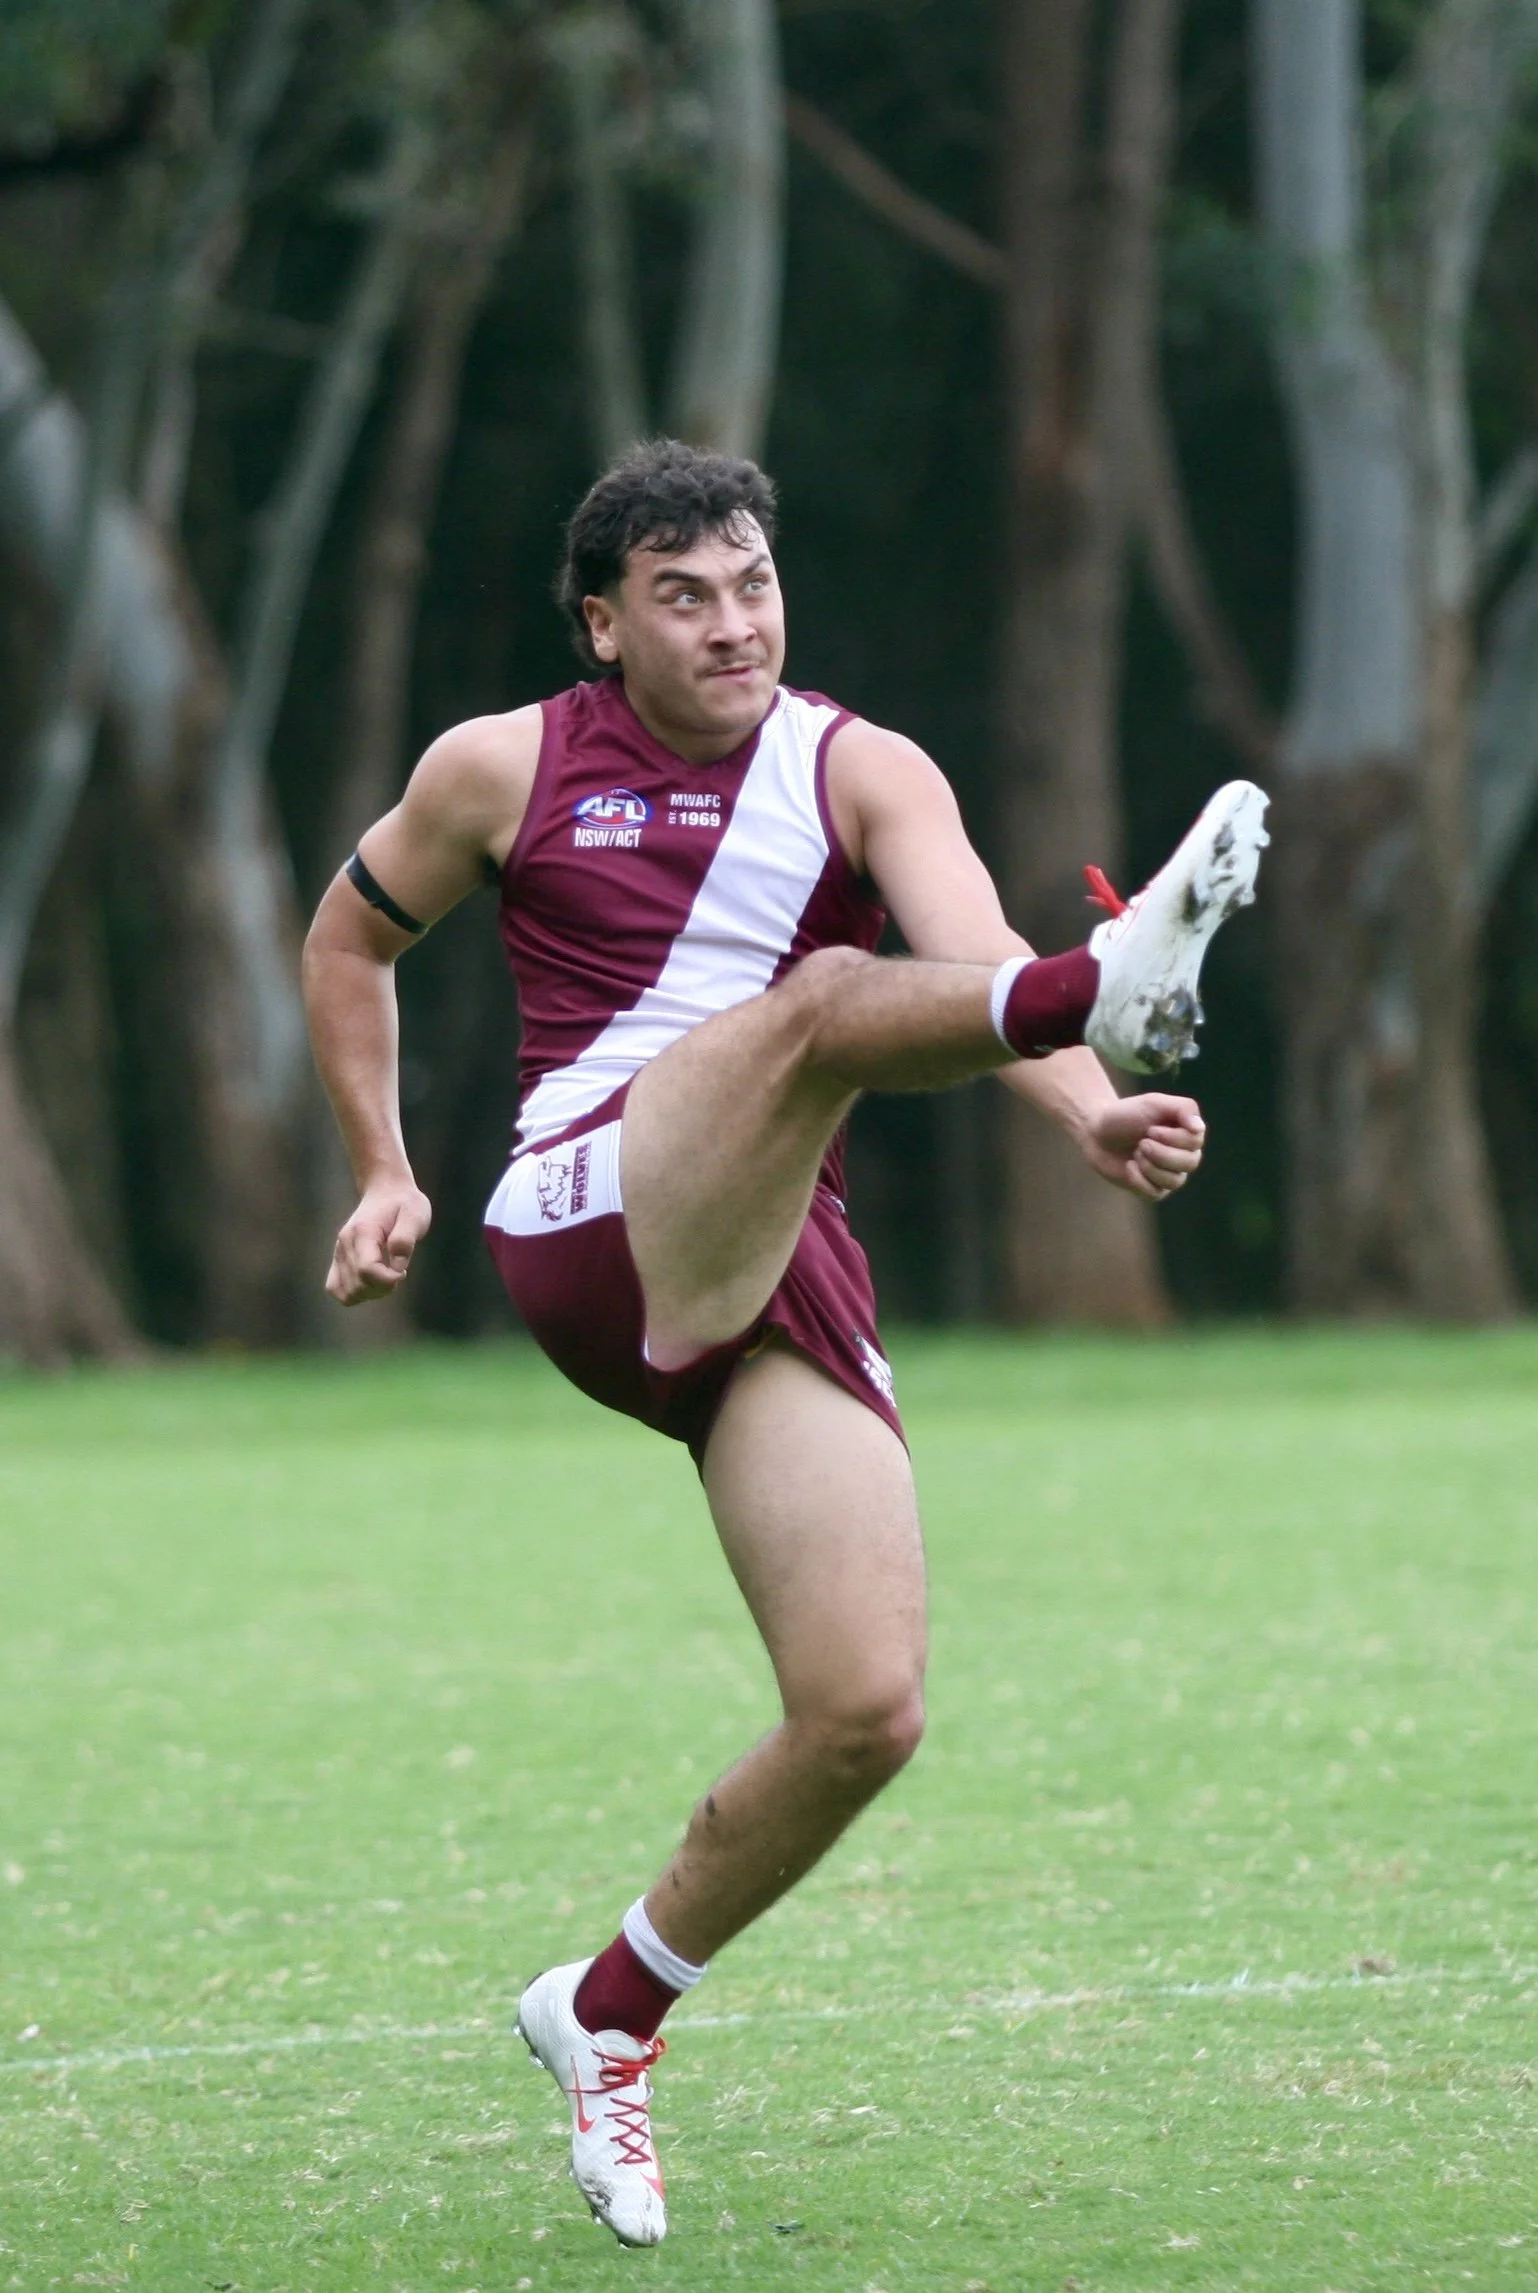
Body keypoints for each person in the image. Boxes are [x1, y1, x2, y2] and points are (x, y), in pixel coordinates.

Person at [302, 437, 1267, 2248]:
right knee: (819, 1003)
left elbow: (964, 946)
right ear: (605, 625)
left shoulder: (861, 765)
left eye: (750, 584)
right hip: (585, 1211)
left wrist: (1085, 1119)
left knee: (862, 1710)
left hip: (756, 1259)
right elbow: (343, 948)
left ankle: (605, 2013)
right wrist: (380, 1171)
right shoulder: (498, 765)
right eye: (682, 596)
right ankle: (1117, 977)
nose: (732, 622)